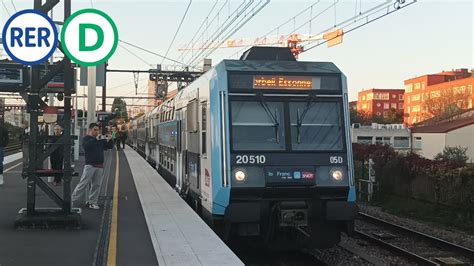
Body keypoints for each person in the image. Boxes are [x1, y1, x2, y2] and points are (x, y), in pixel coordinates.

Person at [72, 122, 113, 209]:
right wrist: (96, 139)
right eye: (95, 130)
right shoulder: (86, 139)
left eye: (98, 130)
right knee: (83, 184)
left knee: (96, 185)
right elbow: (86, 147)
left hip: (99, 165)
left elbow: (109, 147)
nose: (97, 132)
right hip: (90, 165)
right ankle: (72, 200)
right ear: (90, 130)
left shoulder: (100, 139)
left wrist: (110, 139)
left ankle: (92, 202)